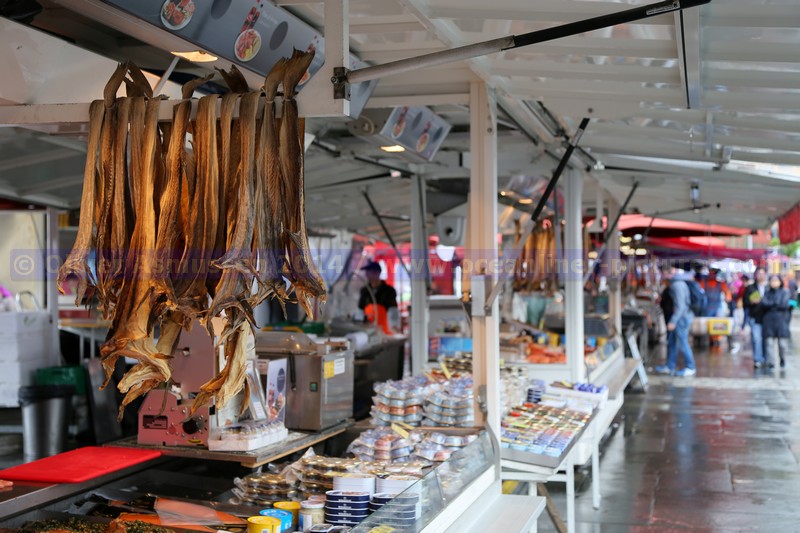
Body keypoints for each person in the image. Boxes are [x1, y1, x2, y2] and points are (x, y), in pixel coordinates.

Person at [655, 267, 696, 377]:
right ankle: (670, 366)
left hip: (682, 319)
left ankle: (690, 366)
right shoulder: (676, 284)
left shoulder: (677, 285)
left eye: (664, 273)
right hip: (681, 317)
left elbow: (681, 306)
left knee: (683, 342)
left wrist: (673, 321)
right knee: (672, 342)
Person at [760, 274, 791, 369]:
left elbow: (784, 305)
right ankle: (771, 362)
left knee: (782, 344)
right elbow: (764, 304)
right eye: (772, 281)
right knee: (769, 343)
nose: (774, 282)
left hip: (781, 321)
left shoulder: (785, 292)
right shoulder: (767, 292)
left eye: (776, 280)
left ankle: (782, 359)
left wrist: (771, 304)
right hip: (769, 321)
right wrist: (775, 304)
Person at [358, 261, 398, 335]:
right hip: (368, 330)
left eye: (369, 272)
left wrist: (394, 326)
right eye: (366, 272)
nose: (366, 275)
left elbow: (393, 311)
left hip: (384, 331)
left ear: (377, 273)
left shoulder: (389, 291)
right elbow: (360, 310)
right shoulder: (364, 291)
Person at [742, 267, 768, 368]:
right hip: (755, 316)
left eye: (762, 273)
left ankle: (765, 358)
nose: (760, 276)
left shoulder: (769, 287)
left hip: (766, 318)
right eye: (758, 274)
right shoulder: (750, 288)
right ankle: (758, 359)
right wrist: (752, 302)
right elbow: (745, 302)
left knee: (766, 339)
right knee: (756, 339)